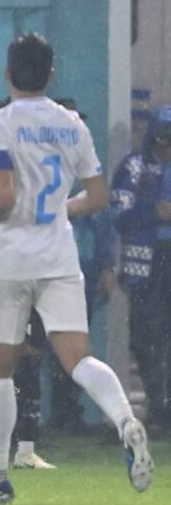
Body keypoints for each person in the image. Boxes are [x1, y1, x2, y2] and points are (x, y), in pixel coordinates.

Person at [0, 33, 152, 503]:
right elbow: (99, 197)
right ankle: (125, 419)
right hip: (58, 255)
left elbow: (3, 196)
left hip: (8, 259)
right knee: (78, 357)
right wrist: (56, 213)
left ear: (7, 73)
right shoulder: (71, 125)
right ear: (50, 73)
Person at [111, 104, 171, 432]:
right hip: (147, 261)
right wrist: (154, 211)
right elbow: (119, 211)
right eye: (163, 136)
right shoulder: (135, 166)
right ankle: (158, 407)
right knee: (148, 336)